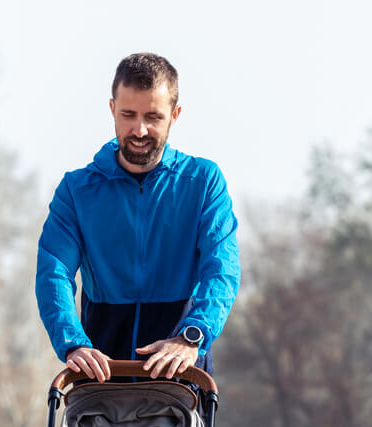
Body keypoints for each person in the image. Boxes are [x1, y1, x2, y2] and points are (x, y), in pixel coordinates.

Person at [35, 52, 240, 382]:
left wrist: (193, 335)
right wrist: (72, 344)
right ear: (112, 108)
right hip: (100, 371)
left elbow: (222, 269)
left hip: (179, 371)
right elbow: (53, 272)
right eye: (128, 115)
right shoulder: (75, 190)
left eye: (153, 117)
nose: (139, 129)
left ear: (175, 115)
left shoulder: (204, 182)